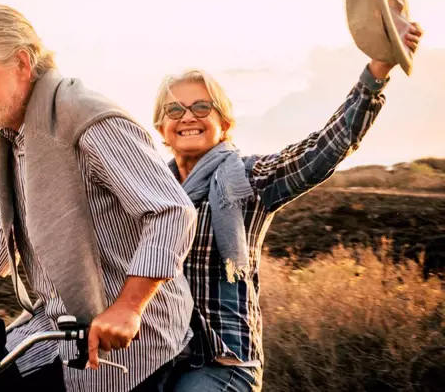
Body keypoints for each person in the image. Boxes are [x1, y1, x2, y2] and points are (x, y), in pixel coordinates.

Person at [0, 2, 198, 392]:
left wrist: (128, 307)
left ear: (22, 63)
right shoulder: (11, 133)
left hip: (133, 337)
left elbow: (171, 212)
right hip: (57, 320)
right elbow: (8, 216)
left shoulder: (87, 119)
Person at [152, 23, 423, 389]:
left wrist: (376, 72)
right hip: (157, 360)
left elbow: (323, 149)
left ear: (224, 121)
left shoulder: (248, 178)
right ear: (160, 124)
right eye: (175, 109)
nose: (188, 117)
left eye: (202, 106)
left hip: (222, 362)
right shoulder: (150, 190)